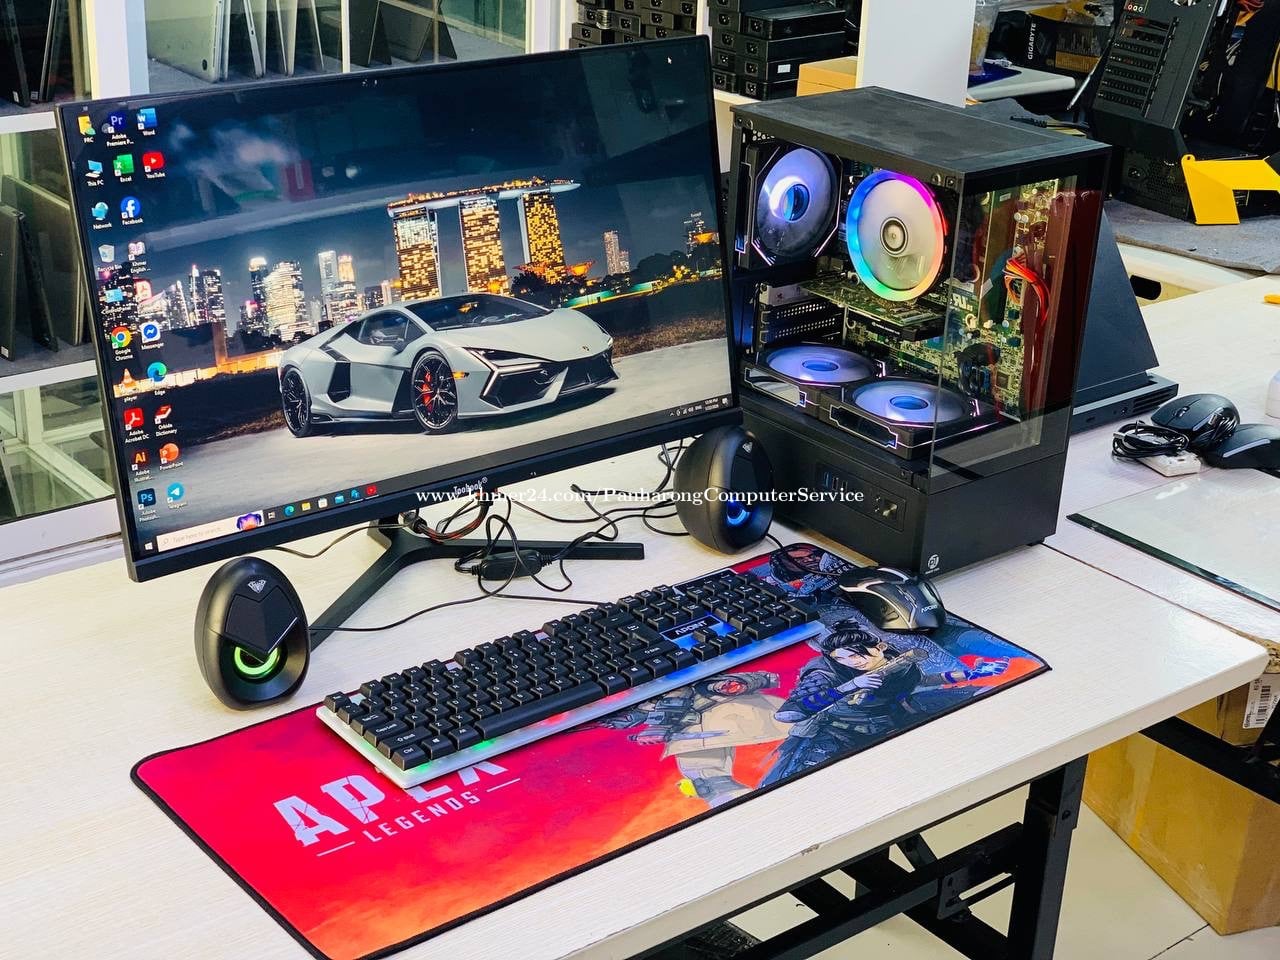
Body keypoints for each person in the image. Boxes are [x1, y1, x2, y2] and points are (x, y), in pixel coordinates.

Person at [761, 620, 1008, 785]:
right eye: (842, 658)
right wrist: (850, 686)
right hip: (838, 732)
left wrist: (974, 674)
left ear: (879, 646)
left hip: (892, 721)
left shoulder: (896, 660)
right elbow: (789, 714)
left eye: (857, 654)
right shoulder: (824, 672)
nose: (853, 662)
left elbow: (924, 680)